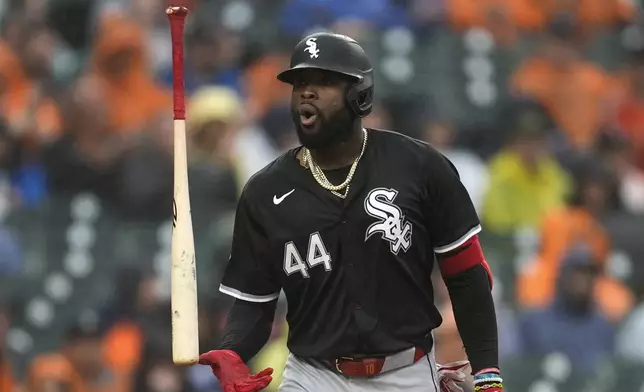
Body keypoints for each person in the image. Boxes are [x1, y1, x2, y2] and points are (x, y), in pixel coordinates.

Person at [198, 32, 503, 392]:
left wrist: (487, 373)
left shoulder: (420, 167)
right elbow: (254, 304)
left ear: (360, 95)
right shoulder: (265, 191)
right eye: (300, 84)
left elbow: (467, 276)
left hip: (407, 372)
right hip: (313, 375)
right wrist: (232, 351)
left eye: (324, 82)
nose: (307, 93)